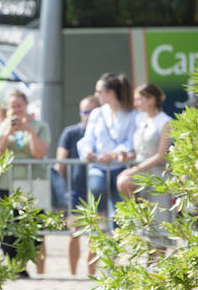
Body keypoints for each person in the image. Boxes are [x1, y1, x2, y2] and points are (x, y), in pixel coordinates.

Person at [0, 89, 51, 274]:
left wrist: (28, 130)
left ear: (26, 106)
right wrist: (8, 132)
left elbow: (38, 153)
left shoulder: (40, 125)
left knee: (32, 229)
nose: (17, 109)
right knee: (8, 228)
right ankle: (13, 266)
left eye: (19, 105)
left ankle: (22, 265)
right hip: (7, 183)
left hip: (33, 183)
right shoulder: (3, 126)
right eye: (13, 106)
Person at [77, 73, 136, 227]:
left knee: (118, 208)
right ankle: (100, 224)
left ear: (110, 93)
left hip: (120, 167)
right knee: (96, 189)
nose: (96, 95)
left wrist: (113, 154)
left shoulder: (131, 115)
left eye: (99, 91)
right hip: (98, 165)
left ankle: (115, 243)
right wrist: (88, 150)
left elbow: (130, 142)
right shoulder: (97, 113)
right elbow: (88, 138)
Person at [54, 95, 99, 275]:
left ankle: (91, 275)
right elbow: (60, 163)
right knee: (75, 232)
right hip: (76, 190)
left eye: (91, 111)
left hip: (98, 189)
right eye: (83, 111)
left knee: (96, 234)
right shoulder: (71, 132)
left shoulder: (102, 134)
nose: (86, 115)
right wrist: (58, 193)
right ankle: (73, 275)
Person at [117, 83, 172, 214]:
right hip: (140, 168)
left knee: (159, 218)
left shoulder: (165, 121)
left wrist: (135, 169)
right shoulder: (139, 118)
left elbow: (161, 155)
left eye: (139, 99)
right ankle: (138, 216)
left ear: (151, 100)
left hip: (157, 172)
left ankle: (140, 216)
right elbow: (139, 148)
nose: (136, 103)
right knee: (122, 182)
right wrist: (129, 156)